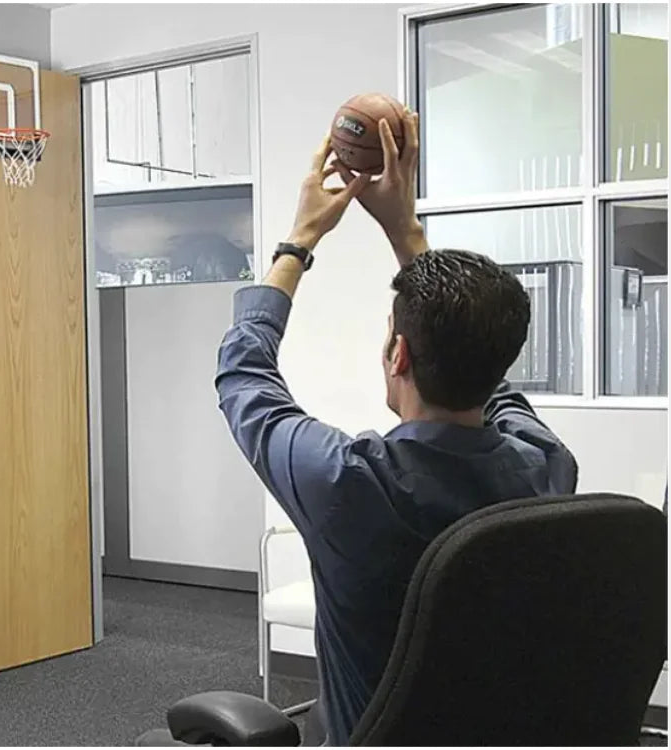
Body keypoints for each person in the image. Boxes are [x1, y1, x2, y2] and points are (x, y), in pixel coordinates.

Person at [214, 110, 578, 746]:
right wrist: (405, 230)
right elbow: (490, 374)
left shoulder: (345, 482)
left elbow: (243, 373)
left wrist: (298, 241)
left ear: (398, 354)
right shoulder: (546, 464)